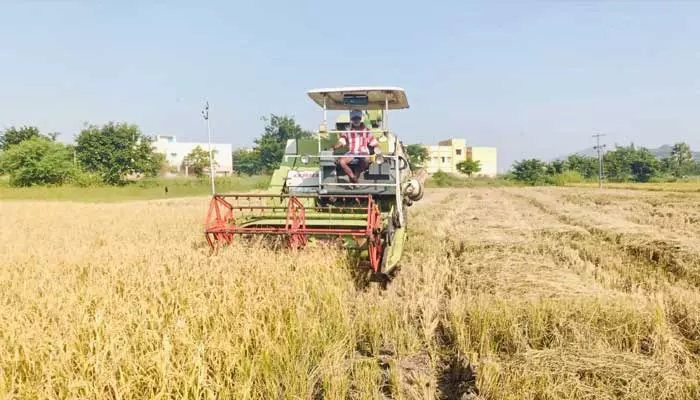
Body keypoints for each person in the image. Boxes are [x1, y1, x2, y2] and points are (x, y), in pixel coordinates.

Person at [329, 109, 379, 183]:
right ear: (351, 119)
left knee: (366, 159)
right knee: (342, 162)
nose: (356, 120)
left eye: (357, 118)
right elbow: (341, 142)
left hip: (363, 151)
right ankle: (353, 177)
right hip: (352, 152)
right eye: (354, 118)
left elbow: (374, 143)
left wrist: (378, 149)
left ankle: (356, 175)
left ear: (360, 119)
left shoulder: (367, 131)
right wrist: (333, 148)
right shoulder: (347, 131)